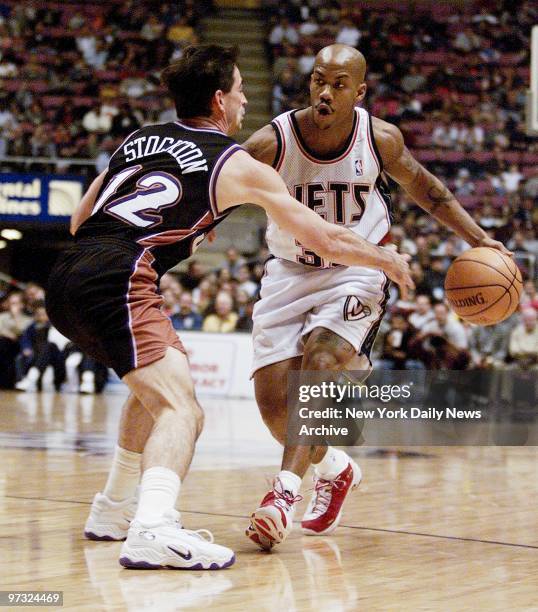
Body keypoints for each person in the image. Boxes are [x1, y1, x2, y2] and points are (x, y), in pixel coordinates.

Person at [45, 44, 413, 571]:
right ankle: (152, 527)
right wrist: (384, 257)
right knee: (182, 411)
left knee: (153, 391)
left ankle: (112, 510)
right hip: (119, 277)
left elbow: (82, 220)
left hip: (66, 275)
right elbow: (326, 238)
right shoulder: (231, 160)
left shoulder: (137, 140)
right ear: (220, 101)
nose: (245, 102)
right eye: (240, 92)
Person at [242, 43, 511, 550]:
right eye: (319, 80)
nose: (325, 92)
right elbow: (221, 179)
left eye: (338, 85)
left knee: (320, 362)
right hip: (287, 270)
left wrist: (478, 238)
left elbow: (428, 189)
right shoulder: (273, 140)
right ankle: (338, 469)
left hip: (358, 267)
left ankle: (282, 496)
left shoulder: (379, 139)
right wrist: (203, 221)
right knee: (278, 411)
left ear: (359, 92)